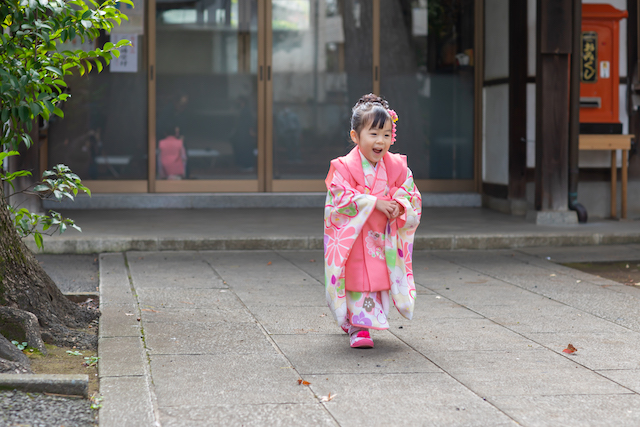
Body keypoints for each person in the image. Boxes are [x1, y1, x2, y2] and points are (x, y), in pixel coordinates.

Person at [324, 94, 422, 349]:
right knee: (357, 277)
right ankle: (360, 327)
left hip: (382, 235)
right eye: (374, 134)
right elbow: (339, 197)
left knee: (378, 279)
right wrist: (374, 202)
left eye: (387, 135)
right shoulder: (344, 167)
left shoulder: (397, 166)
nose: (381, 141)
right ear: (356, 136)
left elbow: (410, 192)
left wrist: (399, 205)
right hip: (356, 237)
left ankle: (359, 320)